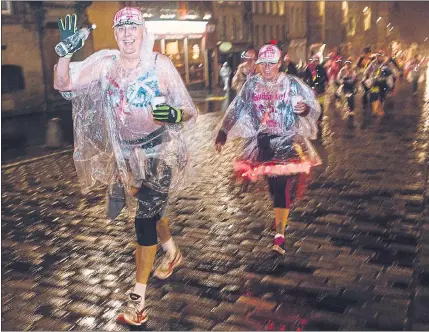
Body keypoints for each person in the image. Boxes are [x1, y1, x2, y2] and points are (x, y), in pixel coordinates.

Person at [53, 8, 197, 326]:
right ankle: (172, 253)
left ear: (143, 32)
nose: (128, 35)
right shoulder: (107, 64)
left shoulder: (160, 66)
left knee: (143, 221)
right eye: (122, 30)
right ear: (116, 35)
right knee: (150, 209)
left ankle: (137, 303)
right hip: (127, 158)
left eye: (133, 28)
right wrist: (64, 54)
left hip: (160, 151)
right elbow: (64, 86)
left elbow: (188, 109)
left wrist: (174, 115)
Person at [214, 44, 322, 255]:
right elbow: (237, 107)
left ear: (280, 63)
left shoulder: (291, 84)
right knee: (273, 188)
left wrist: (305, 109)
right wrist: (223, 131)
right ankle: (279, 214)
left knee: (281, 187)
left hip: (287, 140)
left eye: (272, 64)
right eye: (263, 64)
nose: (267, 68)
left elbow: (314, 107)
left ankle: (279, 237)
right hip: (262, 143)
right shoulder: (252, 84)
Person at [364, 50, 395, 117]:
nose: (379, 57)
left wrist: (391, 85)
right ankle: (374, 110)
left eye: (381, 56)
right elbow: (367, 71)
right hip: (375, 81)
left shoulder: (386, 63)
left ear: (383, 57)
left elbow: (392, 73)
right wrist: (366, 78)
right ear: (376, 56)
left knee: (382, 96)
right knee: (373, 95)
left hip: (383, 82)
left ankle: (380, 109)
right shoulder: (373, 63)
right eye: (378, 56)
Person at [302, 54, 328, 122]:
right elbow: (305, 77)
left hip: (321, 90)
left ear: (319, 61)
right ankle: (314, 117)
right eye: (314, 59)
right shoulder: (308, 68)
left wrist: (326, 85)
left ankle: (320, 119)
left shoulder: (322, 68)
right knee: (313, 104)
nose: (315, 61)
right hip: (312, 89)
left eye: (317, 60)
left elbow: (326, 78)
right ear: (312, 60)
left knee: (320, 105)